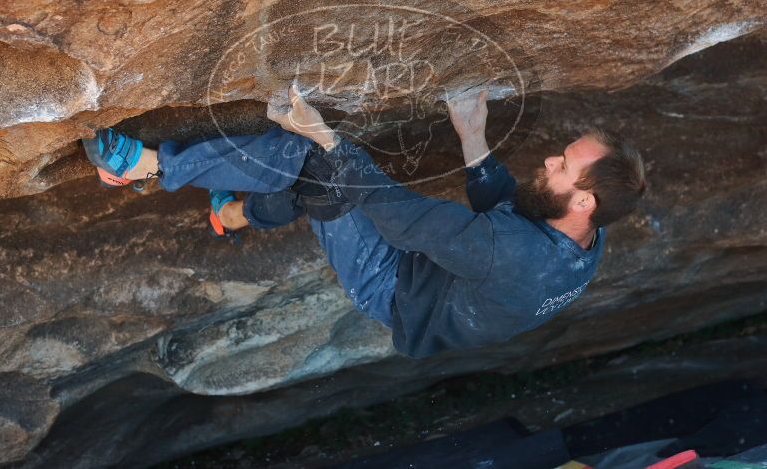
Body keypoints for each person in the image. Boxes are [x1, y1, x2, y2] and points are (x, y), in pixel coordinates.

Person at [82, 86, 646, 359]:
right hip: (433, 278)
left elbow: (403, 220)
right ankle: (229, 213)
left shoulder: (517, 255)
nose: (549, 161)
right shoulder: (580, 238)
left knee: (319, 162)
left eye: (564, 166)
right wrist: (472, 132)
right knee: (324, 183)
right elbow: (512, 207)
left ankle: (143, 166)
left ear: (584, 202)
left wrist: (323, 134)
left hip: (393, 287)